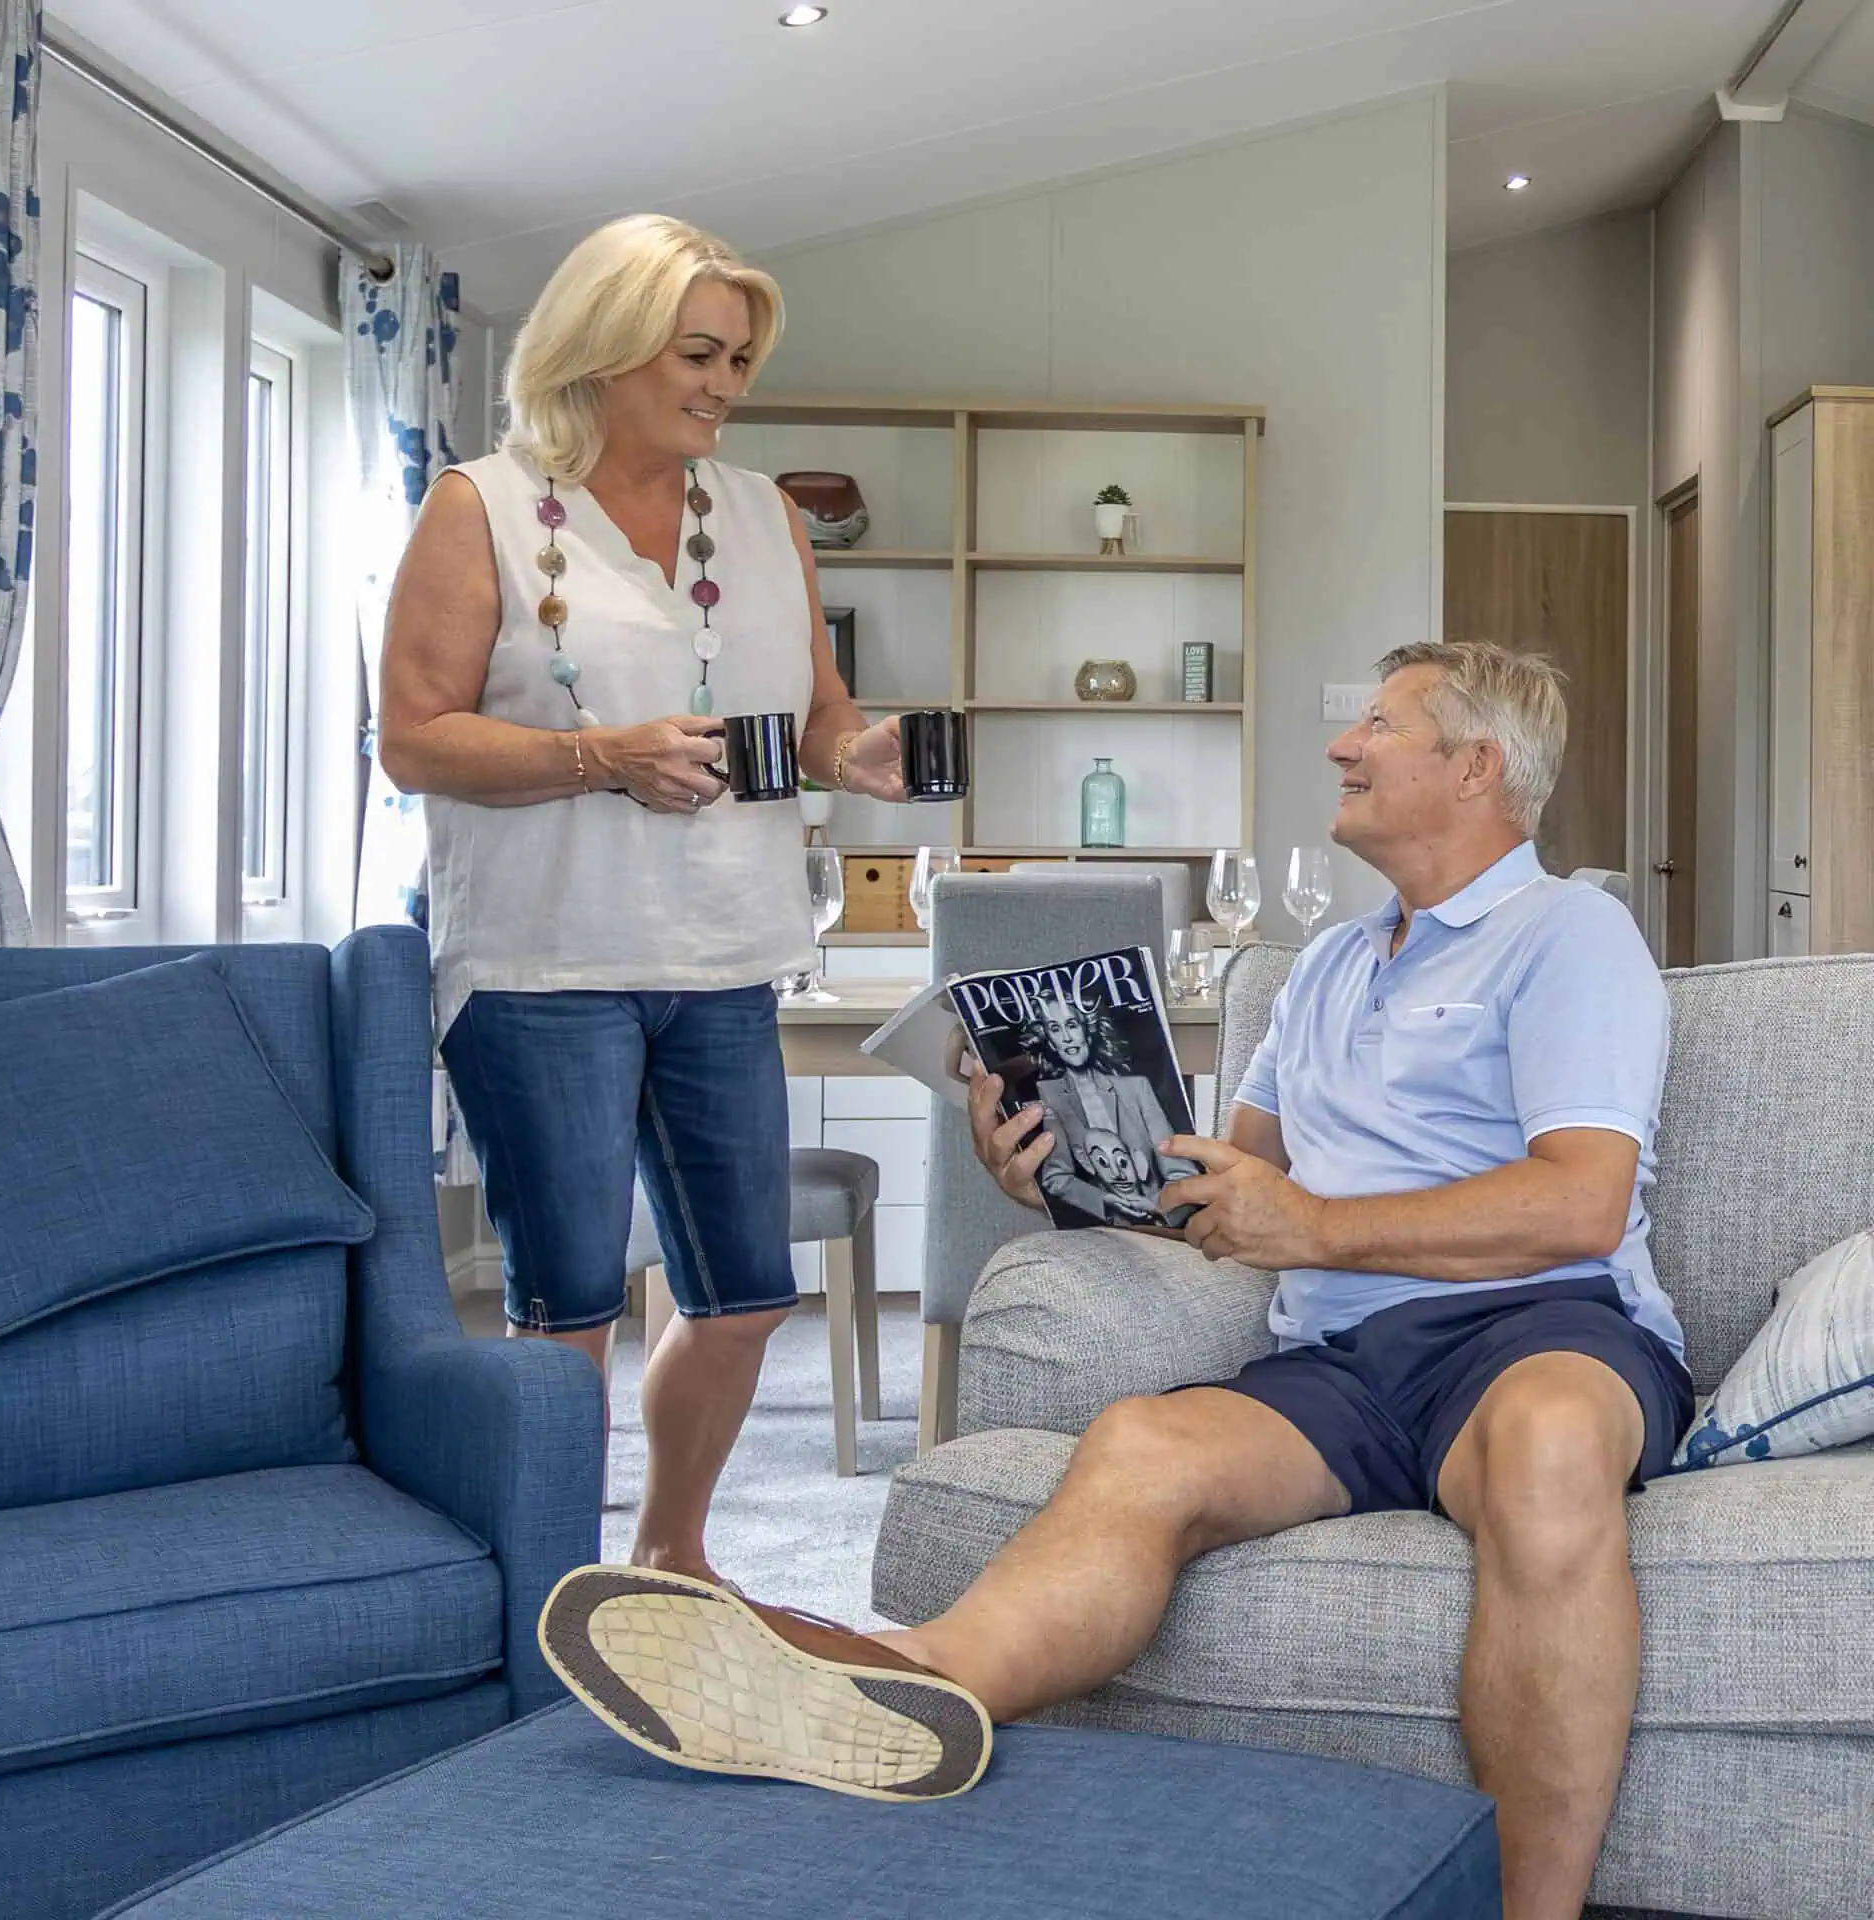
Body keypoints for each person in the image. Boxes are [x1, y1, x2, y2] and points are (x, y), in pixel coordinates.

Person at [536, 640, 1695, 1920]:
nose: (1341, 745)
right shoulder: (1325, 968)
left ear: (1478, 767)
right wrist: (1053, 1175)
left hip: (1540, 1328)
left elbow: (1580, 1199)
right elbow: (1226, 1191)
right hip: (1345, 1359)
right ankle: (901, 1683)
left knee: (1543, 1442)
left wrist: (1309, 1225)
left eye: (1378, 724)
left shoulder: (1570, 933)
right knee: (1141, 1445)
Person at [378, 213, 908, 1588]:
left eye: (738, 358)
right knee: (563, 1309)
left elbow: (816, 713)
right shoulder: (477, 507)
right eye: (696, 354)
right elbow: (415, 737)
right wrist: (595, 757)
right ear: (606, 348)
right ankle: (545, 1574)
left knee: (745, 1295)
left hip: (727, 956)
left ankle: (670, 1556)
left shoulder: (767, 514)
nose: (725, 384)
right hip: (542, 969)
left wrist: (859, 752)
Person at [1026, 989, 1194, 1226]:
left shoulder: (1137, 1088)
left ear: (1088, 1028)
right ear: (1050, 1042)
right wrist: (1103, 1201)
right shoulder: (1049, 1093)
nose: (1066, 1037)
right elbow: (1056, 1178)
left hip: (1161, 1226)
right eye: (1055, 1028)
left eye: (1072, 1024)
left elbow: (1182, 1172)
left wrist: (1159, 1205)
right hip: (1096, 1229)